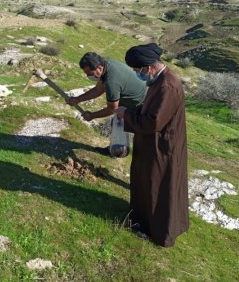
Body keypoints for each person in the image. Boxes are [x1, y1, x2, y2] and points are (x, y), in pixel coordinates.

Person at [115, 42, 189, 247]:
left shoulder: (168, 86)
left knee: (158, 186)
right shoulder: (159, 79)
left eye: (137, 70)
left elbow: (153, 122)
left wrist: (127, 115)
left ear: (147, 68)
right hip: (153, 144)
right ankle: (142, 220)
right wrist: (134, 111)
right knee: (147, 182)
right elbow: (150, 109)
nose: (136, 73)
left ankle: (159, 232)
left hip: (163, 147)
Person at [66, 52, 147, 122]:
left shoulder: (111, 82)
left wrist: (92, 115)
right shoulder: (106, 64)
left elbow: (112, 109)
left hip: (141, 107)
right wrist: (77, 99)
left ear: (99, 68)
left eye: (90, 74)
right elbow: (98, 90)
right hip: (137, 100)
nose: (88, 76)